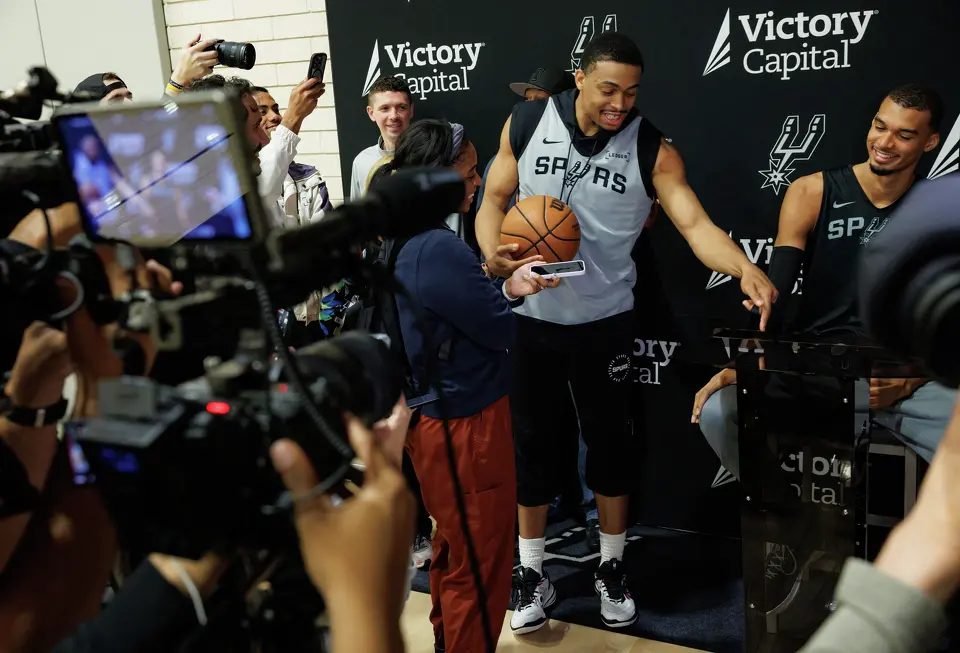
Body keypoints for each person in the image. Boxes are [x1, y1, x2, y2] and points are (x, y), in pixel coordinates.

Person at [476, 31, 776, 634]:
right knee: (532, 448)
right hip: (531, 321)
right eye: (609, 88)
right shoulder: (529, 121)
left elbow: (694, 224)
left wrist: (742, 264)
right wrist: (497, 260)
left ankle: (611, 566)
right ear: (581, 77)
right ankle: (531, 571)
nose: (620, 102)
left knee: (610, 450)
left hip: (605, 322)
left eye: (631, 91)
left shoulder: (652, 149)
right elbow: (493, 198)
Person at [693, 84, 953, 477]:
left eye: (904, 134)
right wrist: (742, 363)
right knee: (718, 412)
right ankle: (785, 515)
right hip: (819, 371)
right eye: (880, 126)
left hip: (902, 383)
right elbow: (773, 296)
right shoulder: (812, 191)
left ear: (931, 141)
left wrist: (913, 379)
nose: (885, 142)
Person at [370, 118, 558, 652]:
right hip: (465, 425)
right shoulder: (437, 247)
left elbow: (459, 309)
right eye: (469, 171)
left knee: (456, 553)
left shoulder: (403, 238)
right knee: (480, 564)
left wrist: (503, 283)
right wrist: (510, 294)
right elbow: (496, 327)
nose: (478, 183)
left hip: (435, 421)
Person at [253, 85, 349, 345]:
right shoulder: (244, 184)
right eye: (261, 112)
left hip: (314, 315)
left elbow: (325, 244)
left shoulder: (308, 176)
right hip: (270, 320)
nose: (274, 116)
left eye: (276, 109)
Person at [475, 67, 576, 212]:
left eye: (541, 101)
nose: (531, 107)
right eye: (528, 99)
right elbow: (489, 213)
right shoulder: (501, 161)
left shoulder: (583, 155)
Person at [350, 76, 414, 200]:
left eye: (401, 107)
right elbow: (357, 216)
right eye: (385, 108)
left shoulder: (430, 156)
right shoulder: (361, 162)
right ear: (371, 113)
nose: (393, 116)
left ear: (411, 110)